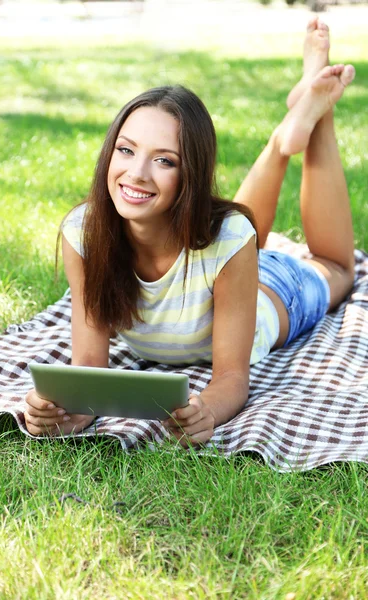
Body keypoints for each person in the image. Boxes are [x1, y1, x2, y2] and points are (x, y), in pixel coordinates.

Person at [24, 18, 356, 446]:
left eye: (164, 160)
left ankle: (318, 109)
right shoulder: (85, 234)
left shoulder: (230, 239)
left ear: (190, 173)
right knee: (235, 231)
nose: (136, 174)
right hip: (218, 255)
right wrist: (63, 411)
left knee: (335, 266)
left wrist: (207, 412)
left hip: (268, 292)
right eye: (126, 150)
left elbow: (232, 378)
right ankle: (282, 137)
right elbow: (89, 366)